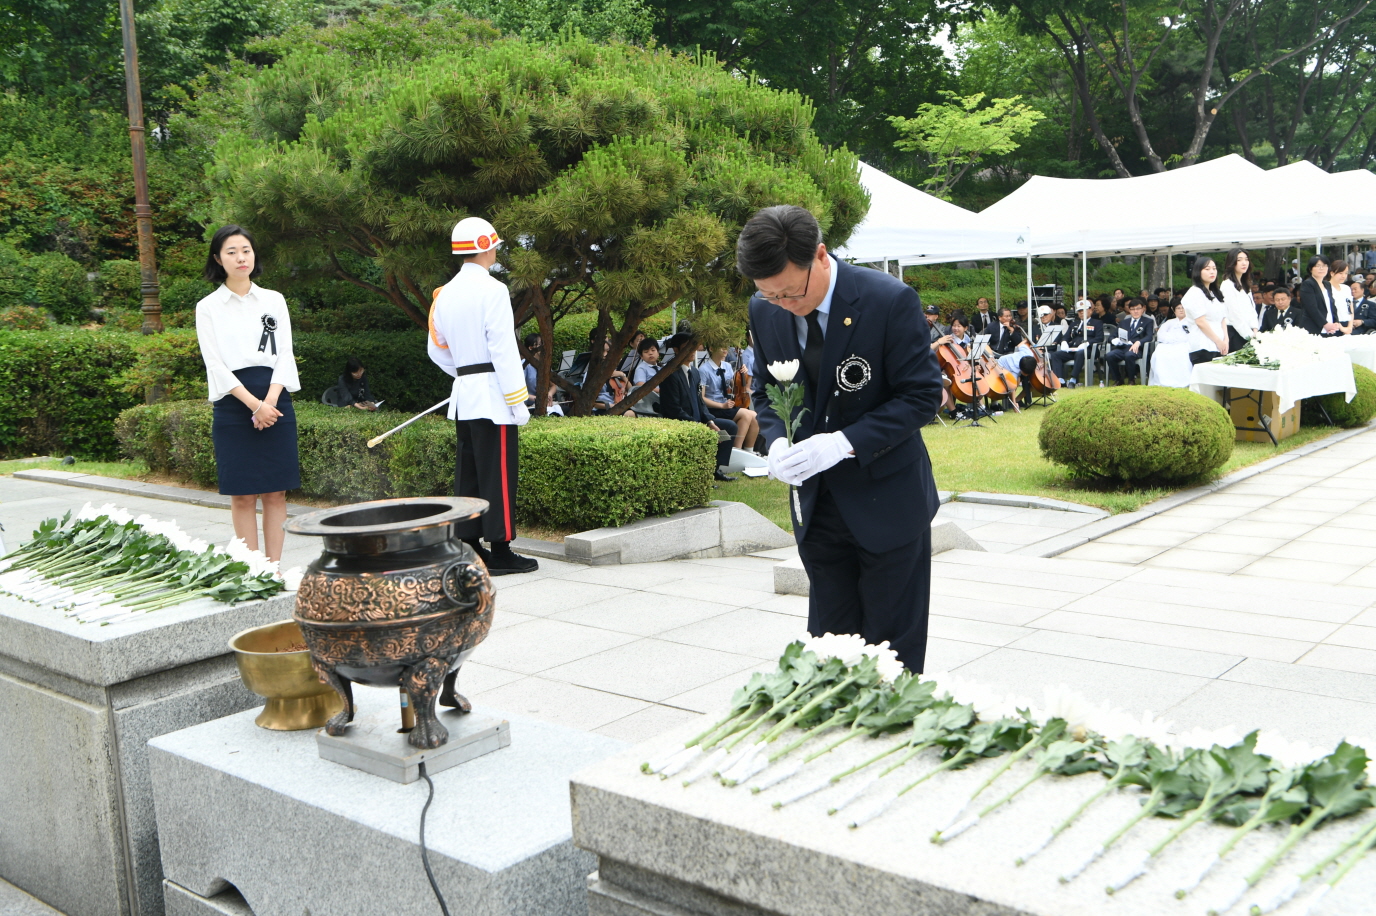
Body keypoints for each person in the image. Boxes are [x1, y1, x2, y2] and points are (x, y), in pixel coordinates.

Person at [742, 205, 942, 673]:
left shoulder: (888, 300)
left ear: (820, 256)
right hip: (817, 505)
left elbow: (921, 396)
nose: (783, 304)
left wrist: (844, 441)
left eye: (791, 292)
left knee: (891, 651)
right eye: (770, 296)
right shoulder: (764, 310)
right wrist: (774, 442)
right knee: (830, 644)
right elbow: (766, 391)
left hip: (887, 498)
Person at [427, 216, 538, 575]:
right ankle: (502, 552)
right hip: (494, 396)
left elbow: (436, 350)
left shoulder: (444, 293)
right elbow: (503, 348)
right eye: (494, 246)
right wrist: (517, 398)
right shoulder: (493, 290)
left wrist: (464, 375)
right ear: (486, 247)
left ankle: (470, 546)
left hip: (466, 394)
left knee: (471, 473)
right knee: (499, 474)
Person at [195, 225, 301, 564]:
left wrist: (268, 403)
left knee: (275, 492)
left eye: (246, 250)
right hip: (233, 405)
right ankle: (253, 571)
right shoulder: (208, 307)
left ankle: (274, 569)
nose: (241, 257)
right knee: (242, 495)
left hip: (275, 400)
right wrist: (254, 405)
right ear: (218, 258)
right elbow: (215, 364)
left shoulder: (274, 300)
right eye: (231, 252)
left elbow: (285, 353)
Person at [659, 331, 737, 481]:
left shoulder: (694, 372)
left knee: (730, 427)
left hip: (697, 420)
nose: (693, 351)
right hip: (680, 422)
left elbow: (700, 401)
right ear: (676, 350)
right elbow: (673, 408)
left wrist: (710, 422)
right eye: (687, 347)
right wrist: (699, 426)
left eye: (694, 347)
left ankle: (715, 470)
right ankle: (702, 474)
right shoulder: (669, 373)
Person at [701, 345, 759, 450]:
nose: (725, 350)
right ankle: (736, 450)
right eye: (721, 347)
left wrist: (741, 374)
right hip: (714, 408)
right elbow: (702, 398)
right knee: (746, 415)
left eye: (726, 347)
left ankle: (749, 451)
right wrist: (722, 405)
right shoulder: (704, 370)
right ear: (711, 348)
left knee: (754, 416)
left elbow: (735, 386)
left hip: (727, 405)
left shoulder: (727, 366)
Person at [1182, 257, 1229, 362]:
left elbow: (1222, 320)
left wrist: (1225, 340)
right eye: (1207, 269)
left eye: (1214, 268)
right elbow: (1200, 322)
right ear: (1198, 272)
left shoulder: (1215, 293)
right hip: (1202, 346)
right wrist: (1218, 341)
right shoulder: (1194, 292)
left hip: (1219, 346)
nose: (1212, 271)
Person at [1049, 301, 1101, 387]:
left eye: (1083, 310)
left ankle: (1073, 379)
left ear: (1090, 310)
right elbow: (1066, 336)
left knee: (1080, 353)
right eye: (1079, 311)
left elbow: (1099, 338)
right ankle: (1060, 380)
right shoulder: (1074, 324)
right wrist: (1064, 342)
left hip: (1089, 350)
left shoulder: (1097, 323)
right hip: (1074, 349)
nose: (1081, 313)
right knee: (1055, 355)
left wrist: (1087, 343)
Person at [1106, 299, 1154, 384]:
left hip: (1137, 349)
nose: (1135, 311)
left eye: (1138, 308)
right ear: (1129, 310)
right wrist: (1114, 340)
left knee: (1129, 355)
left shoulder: (1148, 321)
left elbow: (1149, 336)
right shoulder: (1124, 322)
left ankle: (1131, 379)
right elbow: (1112, 336)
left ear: (1143, 309)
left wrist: (1139, 342)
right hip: (1123, 347)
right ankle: (1118, 379)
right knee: (1109, 355)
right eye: (1133, 309)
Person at [1148, 301, 1196, 387]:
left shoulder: (1192, 322)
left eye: (1183, 308)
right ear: (1174, 310)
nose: (1181, 310)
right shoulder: (1169, 322)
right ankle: (1163, 380)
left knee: (1182, 354)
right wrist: (1172, 339)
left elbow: (1192, 335)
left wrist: (1180, 339)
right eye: (1178, 308)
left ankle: (1183, 380)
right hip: (1168, 344)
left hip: (1184, 345)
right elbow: (1160, 334)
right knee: (1159, 353)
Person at [1221, 248, 1259, 352]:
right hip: (1235, 333)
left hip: (1249, 332)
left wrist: (1255, 329)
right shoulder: (1227, 285)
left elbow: (1251, 310)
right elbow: (1234, 315)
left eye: (1246, 259)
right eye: (1239, 260)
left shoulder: (1245, 284)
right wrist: (1250, 336)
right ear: (1232, 262)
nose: (1244, 263)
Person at [1298, 254, 1341, 336]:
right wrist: (1325, 324)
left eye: (1324, 265)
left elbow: (1332, 305)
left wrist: (1336, 322)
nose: (1321, 268)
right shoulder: (1308, 284)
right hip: (1313, 327)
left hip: (1329, 328)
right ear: (1311, 269)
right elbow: (1311, 307)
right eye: (1318, 266)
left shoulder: (1327, 284)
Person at [1330, 259, 1356, 335]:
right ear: (1332, 273)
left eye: (1346, 273)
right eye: (1340, 273)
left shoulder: (1346, 288)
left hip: (1347, 323)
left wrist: (1350, 327)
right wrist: (1341, 328)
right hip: (1333, 325)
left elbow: (1350, 308)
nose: (1343, 276)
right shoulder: (1326, 288)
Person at [521, 333, 541, 406]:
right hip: (528, 405)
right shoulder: (524, 365)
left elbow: (553, 385)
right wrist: (536, 399)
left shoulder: (544, 363)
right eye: (540, 344)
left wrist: (549, 394)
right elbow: (518, 390)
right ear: (531, 348)